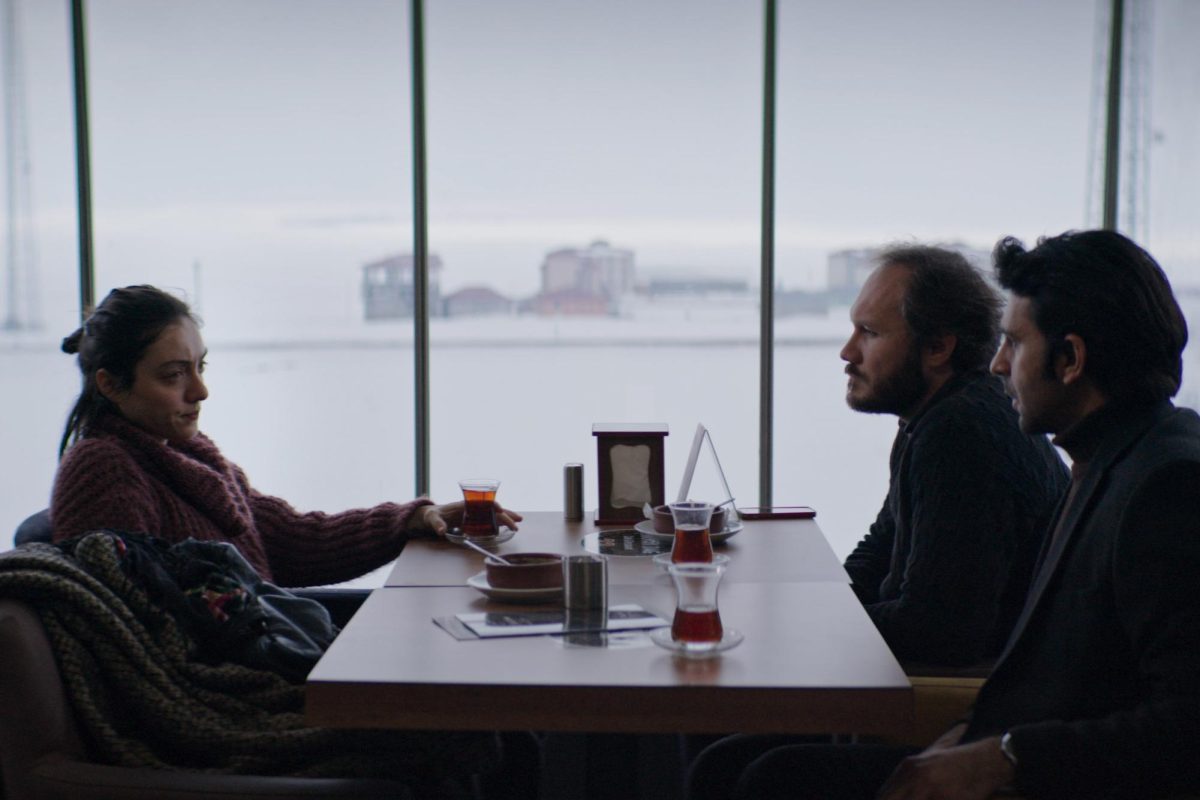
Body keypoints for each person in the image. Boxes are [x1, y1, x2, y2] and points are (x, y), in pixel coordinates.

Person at [710, 229, 1200, 799]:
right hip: (1005, 737)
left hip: (1036, 771)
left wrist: (1004, 757)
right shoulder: (1112, 456)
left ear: (1069, 359)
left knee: (761, 777)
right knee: (733, 764)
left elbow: (1187, 724)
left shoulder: (1165, 485)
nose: (997, 365)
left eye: (1014, 344)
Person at [50, 284, 522, 587]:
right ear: (110, 384)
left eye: (200, 367)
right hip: (225, 704)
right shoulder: (104, 471)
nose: (201, 391)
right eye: (174, 375)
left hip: (266, 661)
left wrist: (414, 519)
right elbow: (136, 634)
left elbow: (292, 541)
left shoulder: (191, 461)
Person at [838, 245, 1067, 668]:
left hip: (955, 708)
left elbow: (937, 631)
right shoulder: (934, 416)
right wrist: (822, 605)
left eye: (869, 333)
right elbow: (880, 549)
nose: (847, 353)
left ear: (938, 347)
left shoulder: (959, 433)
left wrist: (818, 626)